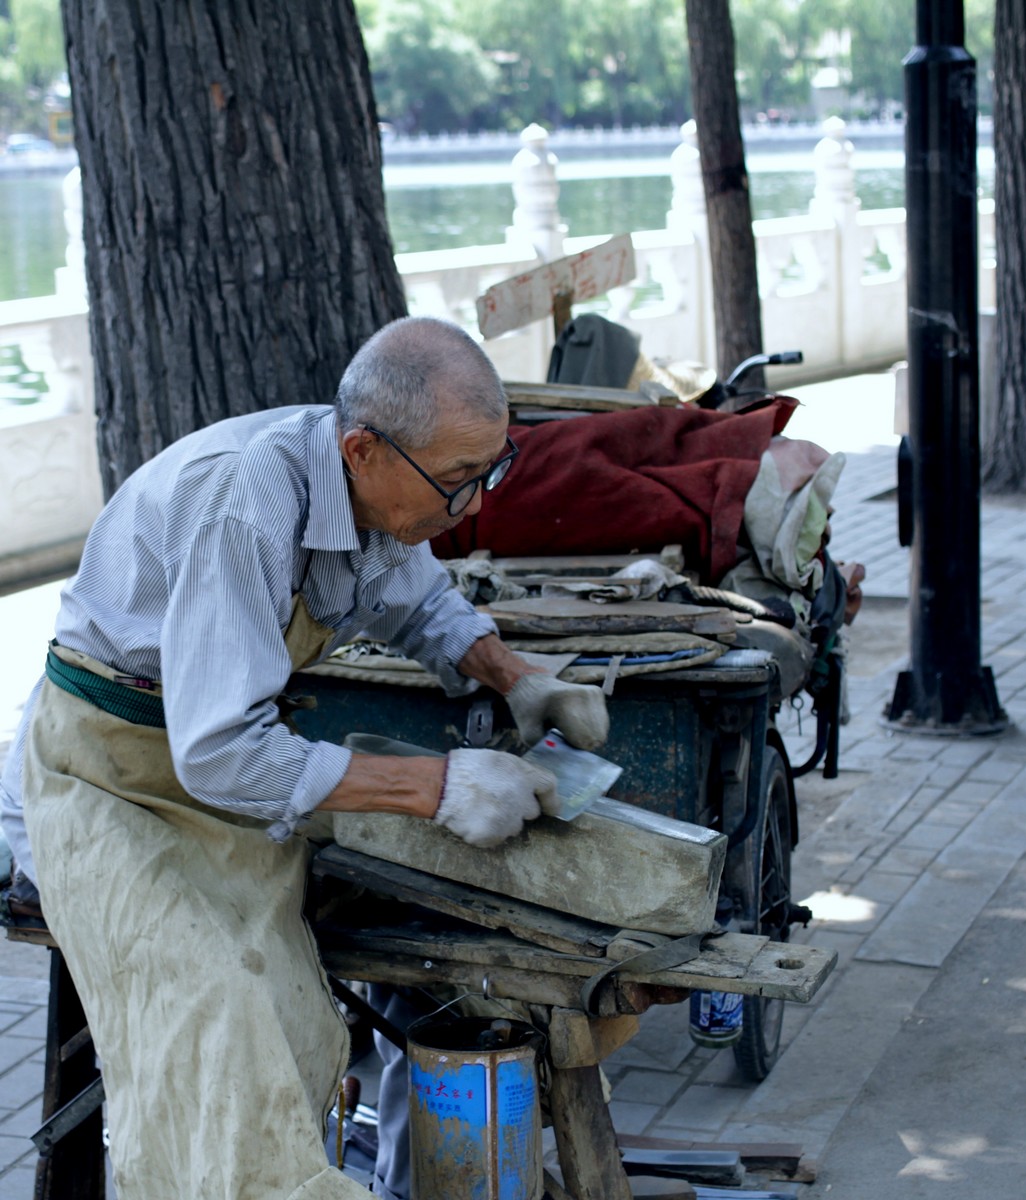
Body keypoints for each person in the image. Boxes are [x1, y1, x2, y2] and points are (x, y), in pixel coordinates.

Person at [0, 315, 608, 1200]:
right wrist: (439, 786)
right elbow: (220, 755)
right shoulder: (246, 504)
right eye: (456, 481)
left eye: (489, 471)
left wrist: (517, 679)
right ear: (363, 448)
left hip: (214, 792)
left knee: (296, 1021)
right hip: (109, 780)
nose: (470, 505)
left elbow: (419, 601)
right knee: (215, 1030)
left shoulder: (372, 494)